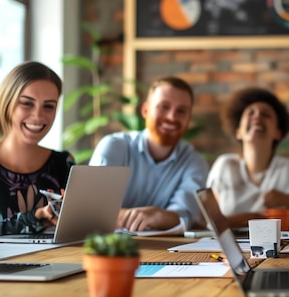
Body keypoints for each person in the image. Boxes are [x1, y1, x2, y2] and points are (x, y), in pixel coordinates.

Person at [0, 61, 73, 237]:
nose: (38, 115)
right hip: (3, 265)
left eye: (48, 106)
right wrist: (38, 216)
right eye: (27, 103)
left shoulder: (63, 162)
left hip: (62, 261)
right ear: (7, 103)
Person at [89, 76, 208, 232]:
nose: (172, 117)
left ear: (188, 119)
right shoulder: (114, 147)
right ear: (145, 110)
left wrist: (158, 215)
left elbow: (186, 216)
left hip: (164, 251)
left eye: (181, 111)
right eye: (164, 107)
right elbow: (92, 210)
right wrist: (149, 217)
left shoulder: (195, 162)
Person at [207, 87, 289, 229]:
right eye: (251, 113)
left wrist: (286, 200)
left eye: (266, 115)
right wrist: (256, 217)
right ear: (238, 132)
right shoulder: (224, 166)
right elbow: (210, 223)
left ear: (277, 133)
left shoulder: (286, 168)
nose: (257, 117)